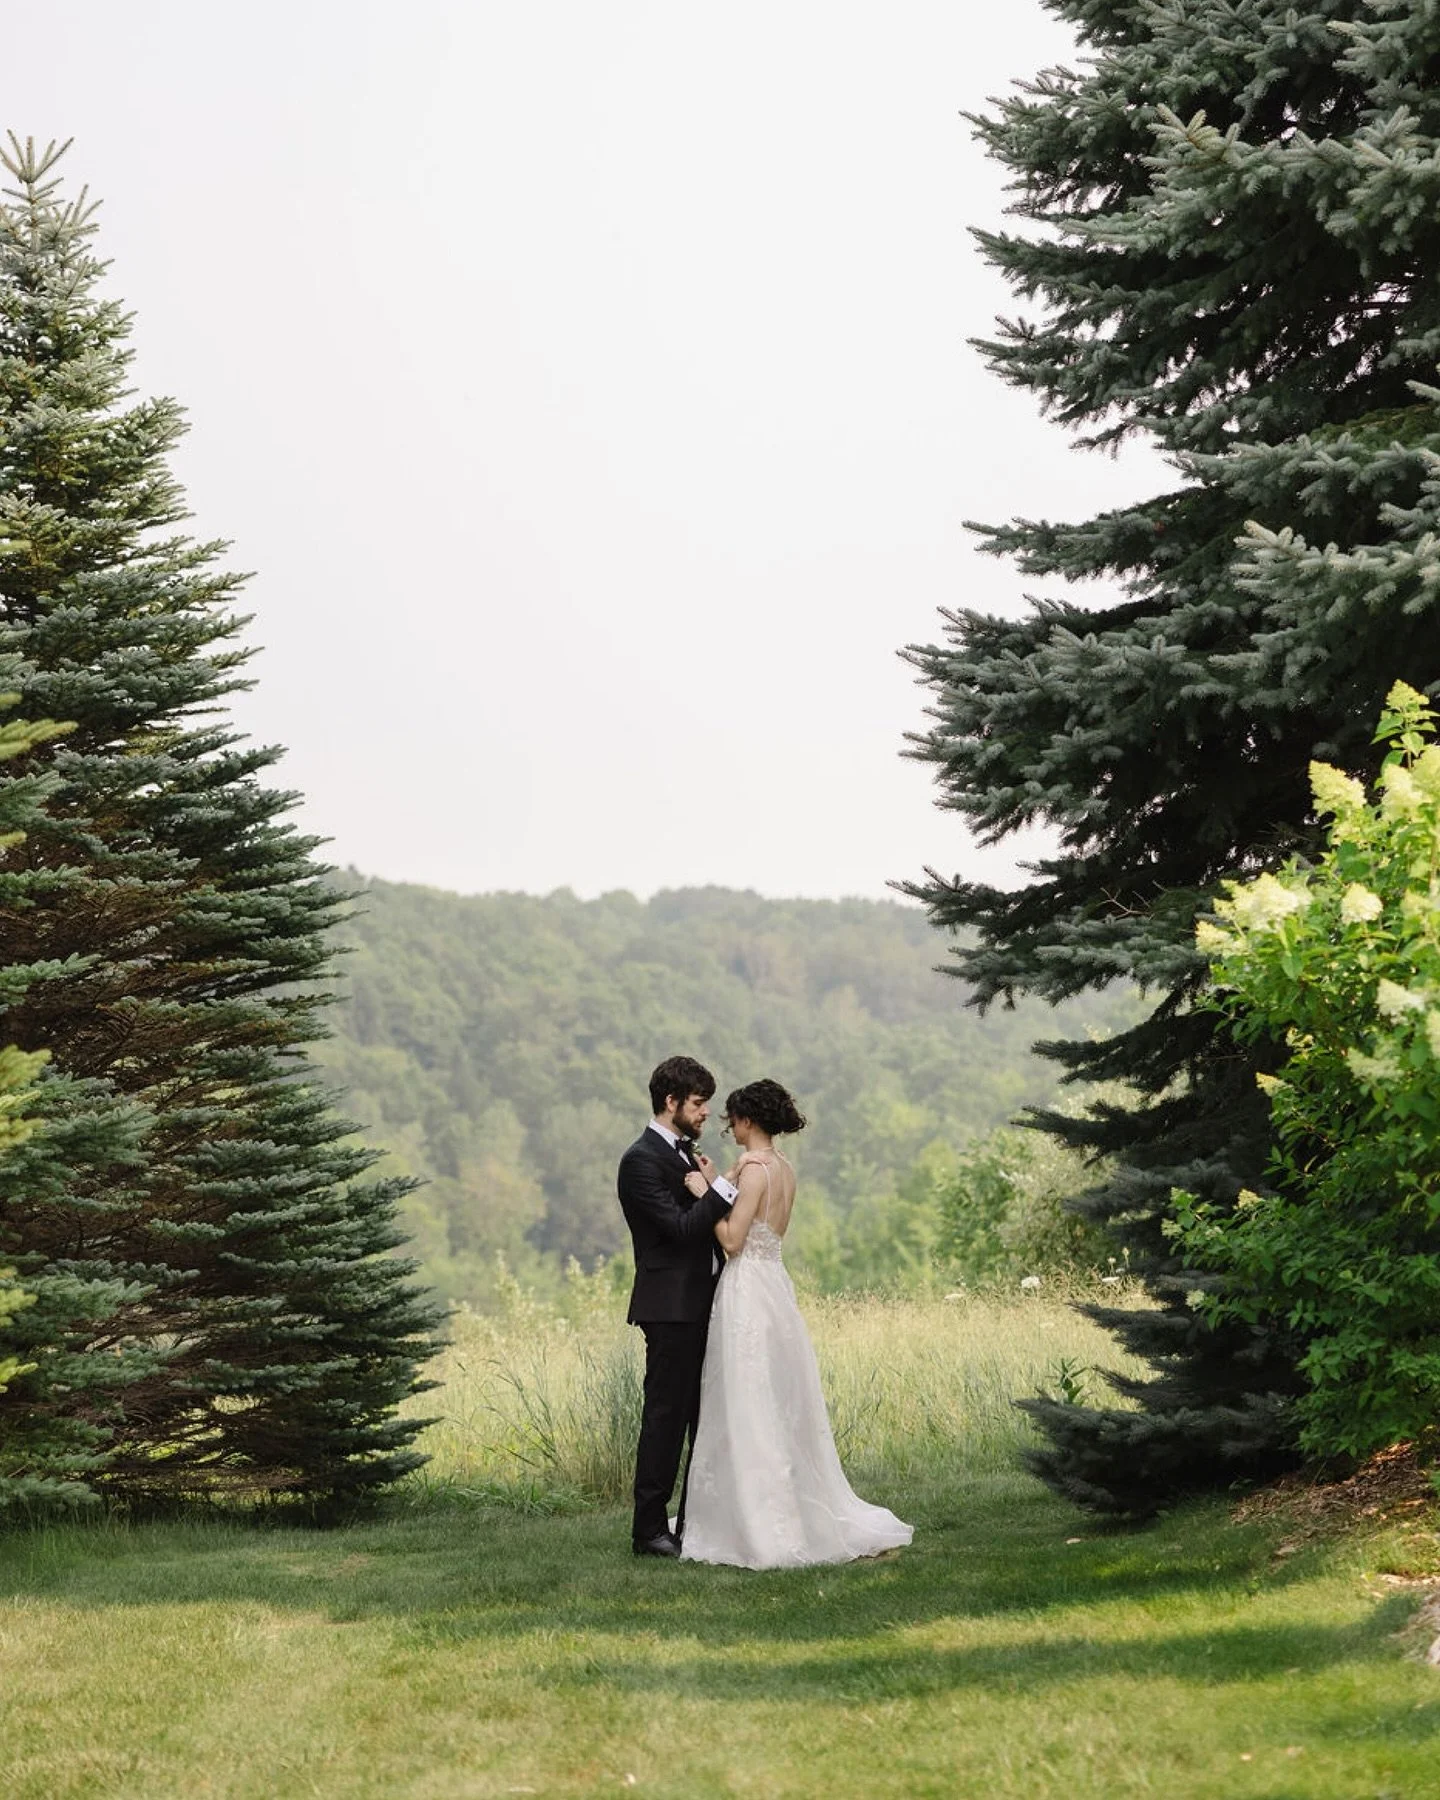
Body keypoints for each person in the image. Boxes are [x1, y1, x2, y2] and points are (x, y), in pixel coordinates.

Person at [679, 1078, 913, 1570]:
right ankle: (785, 1508)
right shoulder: (782, 1168)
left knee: (745, 1399)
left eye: (733, 1121)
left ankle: (756, 1521)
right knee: (778, 1400)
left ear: (748, 1119)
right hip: (776, 1287)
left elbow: (732, 1240)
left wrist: (704, 1193)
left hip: (746, 1290)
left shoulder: (756, 1172)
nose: (730, 1129)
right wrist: (721, 1178)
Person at [616, 1054, 739, 1557]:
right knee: (665, 1417)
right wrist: (723, 1188)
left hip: (703, 1303)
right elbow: (684, 1228)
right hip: (670, 1309)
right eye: (697, 1103)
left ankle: (690, 1522)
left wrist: (706, 1186)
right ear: (671, 1103)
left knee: (700, 1417)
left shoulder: (685, 1154)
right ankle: (648, 1530)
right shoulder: (641, 1161)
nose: (706, 1112)